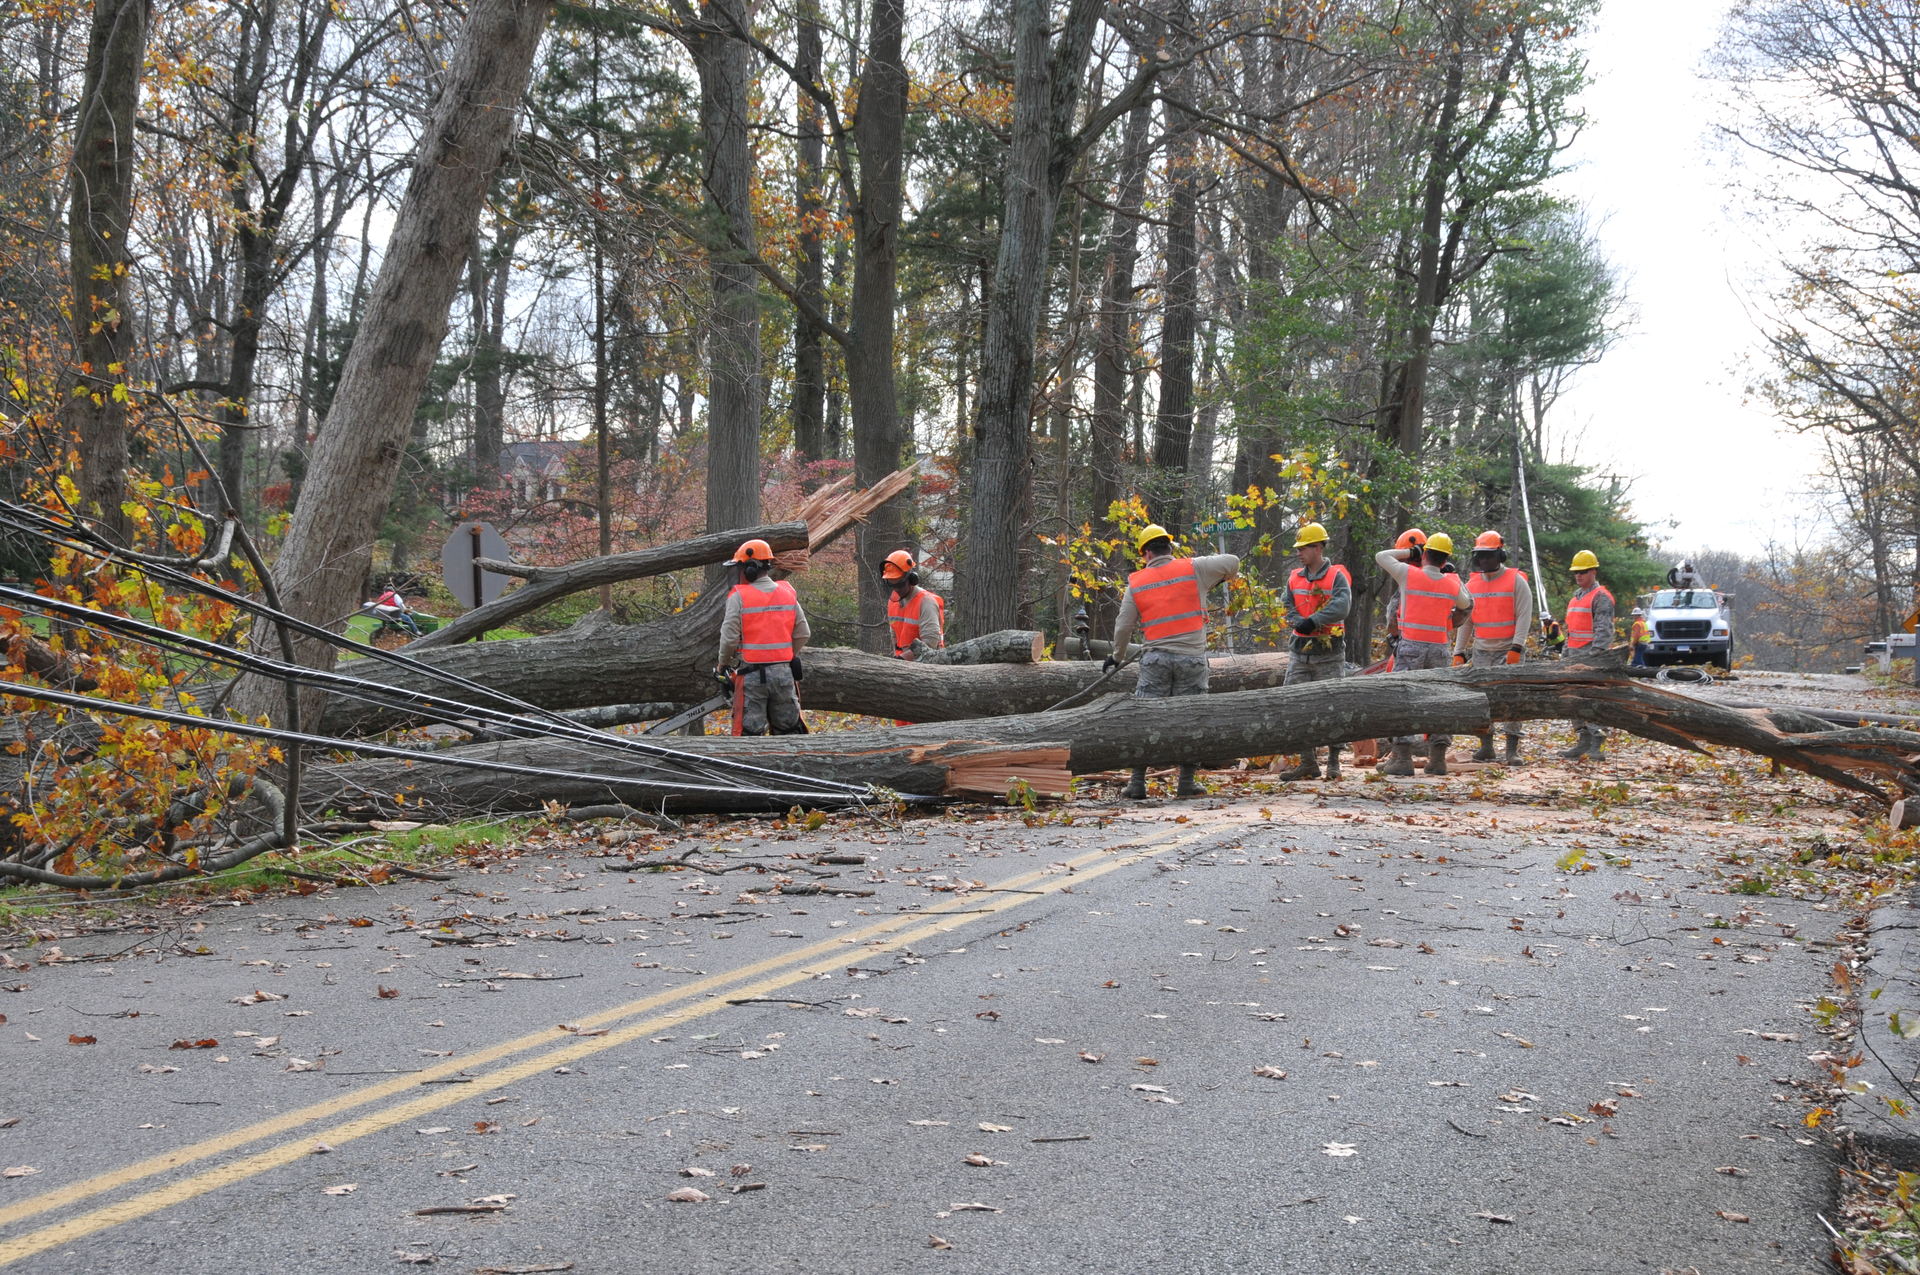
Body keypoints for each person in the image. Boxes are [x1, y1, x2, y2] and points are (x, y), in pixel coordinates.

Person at [1107, 523, 1240, 800]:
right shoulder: (1194, 568)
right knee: (1191, 722)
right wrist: (1219, 579)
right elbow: (1232, 561)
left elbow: (1123, 625)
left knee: (1145, 720)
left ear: (1146, 554)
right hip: (1192, 659)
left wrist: (1116, 657)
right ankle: (1186, 782)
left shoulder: (1137, 581)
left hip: (1155, 661)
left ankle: (1137, 783)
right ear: (1170, 547)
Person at [1374, 531, 1471, 776]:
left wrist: (1409, 552)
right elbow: (1466, 605)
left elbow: (1381, 556)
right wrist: (1449, 621)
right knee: (1439, 701)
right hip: (1439, 649)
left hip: (1411, 647)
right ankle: (1437, 759)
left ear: (1425, 553)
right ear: (1445, 559)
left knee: (1403, 699)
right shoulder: (1452, 583)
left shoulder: (1409, 574)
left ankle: (1403, 758)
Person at [1277, 522, 1352, 781]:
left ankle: (1334, 762)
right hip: (1299, 653)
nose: (1298, 553)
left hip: (1328, 654)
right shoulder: (1294, 577)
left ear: (1318, 548)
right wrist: (1297, 620)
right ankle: (1308, 762)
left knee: (1333, 708)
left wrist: (1314, 621)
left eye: (1304, 548)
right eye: (1298, 548)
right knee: (1295, 707)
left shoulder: (1336, 577)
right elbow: (1286, 604)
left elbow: (1342, 606)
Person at [716, 538, 810, 736]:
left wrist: (723, 664)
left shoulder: (739, 596)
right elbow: (803, 633)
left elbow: (729, 638)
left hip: (751, 677)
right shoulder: (787, 593)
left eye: (740, 568)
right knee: (789, 733)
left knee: (749, 735)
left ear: (749, 568)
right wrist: (783, 655)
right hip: (784, 674)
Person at [1454, 530, 1533, 765]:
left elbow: (1524, 615)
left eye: (1490, 556)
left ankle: (1512, 749)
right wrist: (1459, 651)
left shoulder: (1516, 580)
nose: (1485, 561)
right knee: (1482, 700)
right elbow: (1466, 621)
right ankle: (1486, 746)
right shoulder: (1472, 584)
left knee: (1512, 700)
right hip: (1481, 650)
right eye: (1481, 556)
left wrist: (1516, 647)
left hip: (1508, 648)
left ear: (1501, 555)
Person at [1559, 550, 1616, 760]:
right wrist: (1564, 657)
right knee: (1575, 703)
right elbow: (1570, 631)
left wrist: (1596, 658)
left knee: (1595, 703)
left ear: (1593, 571)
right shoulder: (1575, 598)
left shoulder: (1601, 597)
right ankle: (1583, 742)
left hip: (1591, 659)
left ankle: (1598, 746)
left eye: (1583, 571)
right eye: (1576, 572)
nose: (1578, 575)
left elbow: (1604, 631)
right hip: (1573, 658)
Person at [884, 550, 944, 659]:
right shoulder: (893, 603)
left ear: (911, 579)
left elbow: (930, 643)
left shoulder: (926, 602)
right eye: (892, 583)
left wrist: (902, 660)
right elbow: (894, 635)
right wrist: (896, 659)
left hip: (927, 664)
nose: (896, 589)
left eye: (900, 584)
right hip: (903, 665)